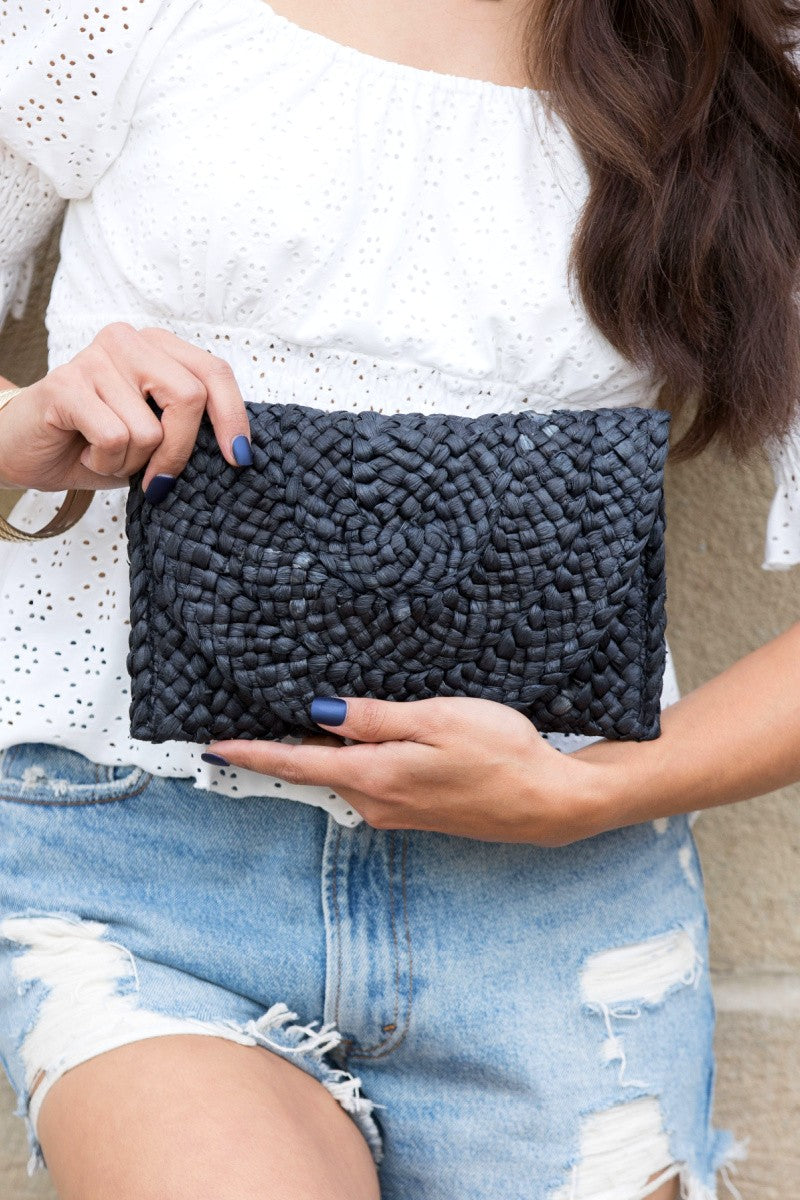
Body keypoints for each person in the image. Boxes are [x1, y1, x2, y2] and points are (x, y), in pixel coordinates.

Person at [0, 2, 798, 1197]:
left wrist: (588, 790)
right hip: (141, 860)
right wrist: (21, 426)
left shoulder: (737, 53)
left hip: (556, 911)